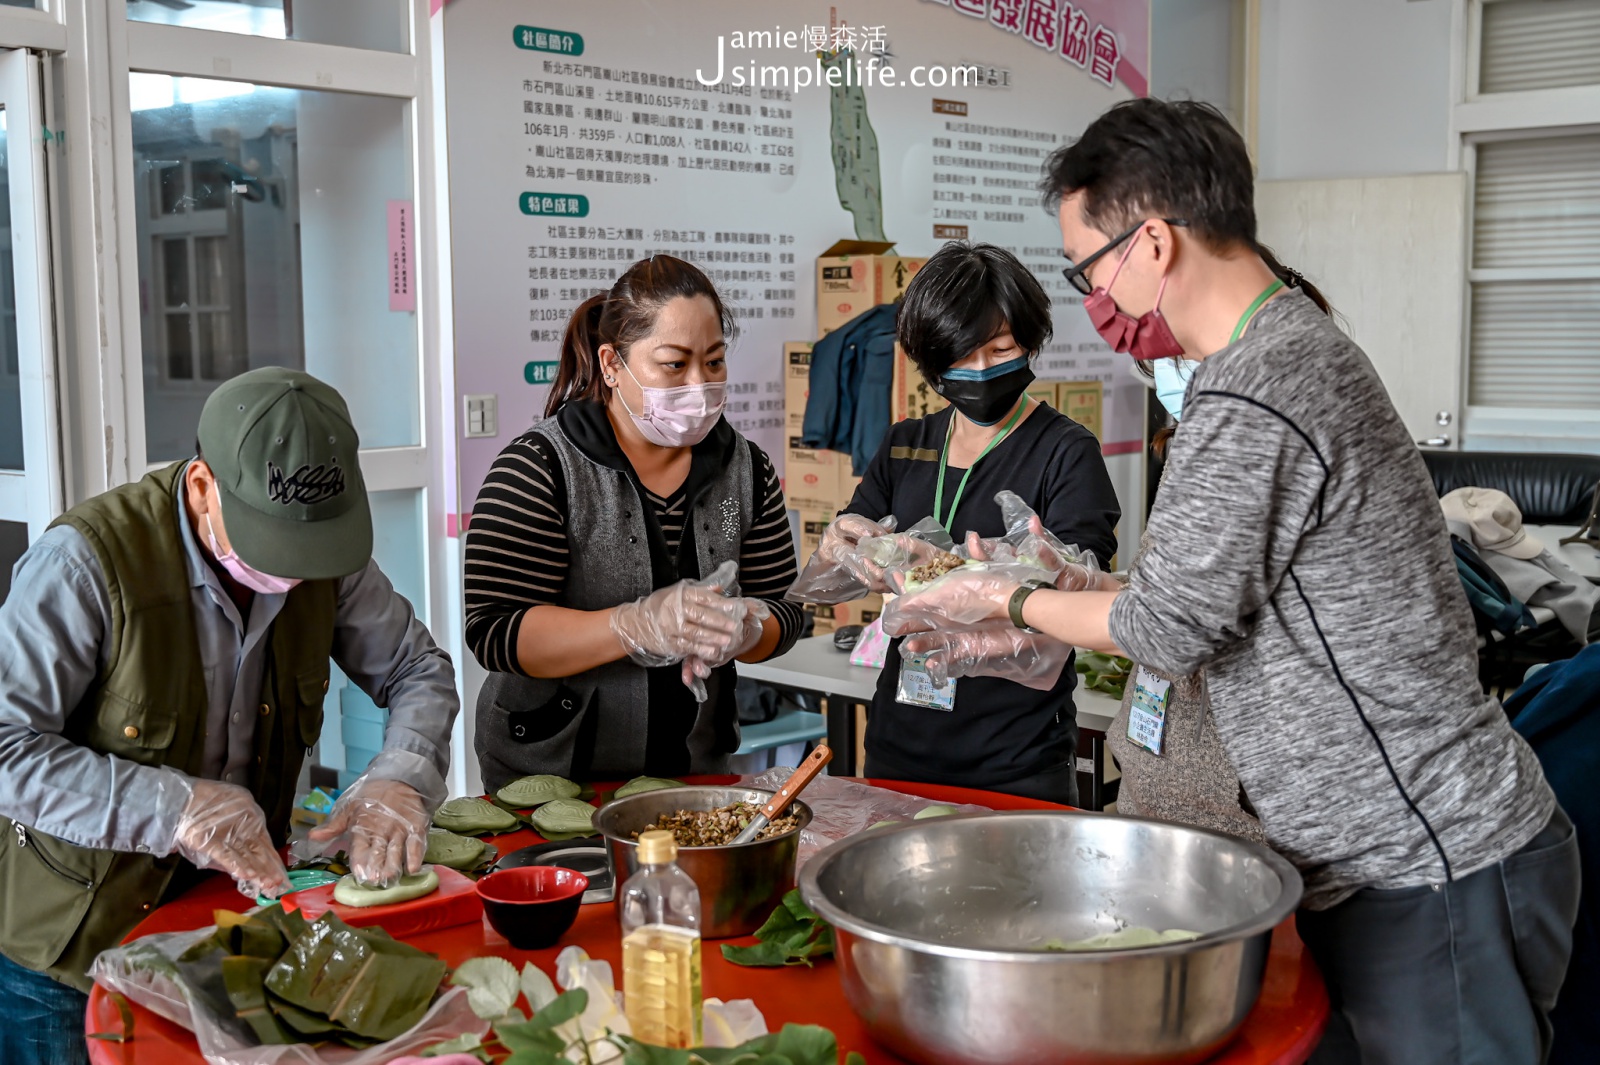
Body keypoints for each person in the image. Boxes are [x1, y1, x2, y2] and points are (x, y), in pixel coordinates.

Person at [888, 99, 1580, 1065]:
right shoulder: (1270, 364)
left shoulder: (1261, 384)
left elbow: (1169, 627)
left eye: (1090, 269)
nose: (1094, 299)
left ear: (1153, 244)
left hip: (1431, 860)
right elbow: (1217, 591)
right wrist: (1074, 588)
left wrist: (999, 597)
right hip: (1388, 859)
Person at [0, 368, 459, 1065]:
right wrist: (172, 807)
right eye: (269, 542)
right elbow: (7, 746)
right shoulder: (84, 562)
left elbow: (417, 668)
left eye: (310, 552)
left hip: (235, 933)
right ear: (201, 485)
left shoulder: (325, 557)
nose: (295, 573)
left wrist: (401, 778)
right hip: (69, 955)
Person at [464, 255, 804, 789]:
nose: (699, 384)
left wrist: (744, 629)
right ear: (611, 365)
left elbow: (785, 609)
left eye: (714, 362)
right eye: (674, 364)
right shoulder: (542, 469)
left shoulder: (744, 473)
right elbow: (496, 629)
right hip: (556, 774)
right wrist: (636, 626)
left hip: (694, 770)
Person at [816, 242, 1120, 805]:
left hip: (1016, 753)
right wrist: (844, 544)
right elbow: (853, 545)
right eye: (961, 354)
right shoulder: (906, 443)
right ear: (932, 361)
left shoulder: (1066, 451)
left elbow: (1084, 588)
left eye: (1001, 348)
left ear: (1029, 342)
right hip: (899, 739)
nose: (982, 370)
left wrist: (990, 587)